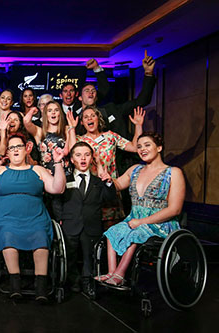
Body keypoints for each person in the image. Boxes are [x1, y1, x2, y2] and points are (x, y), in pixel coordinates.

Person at [0, 133, 66, 302]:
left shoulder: (38, 169)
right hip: (6, 218)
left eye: (19, 147)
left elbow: (57, 189)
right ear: (7, 153)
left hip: (35, 217)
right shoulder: (0, 170)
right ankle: (14, 284)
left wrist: (58, 163)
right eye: (12, 148)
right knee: (8, 235)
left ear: (26, 150)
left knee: (40, 235)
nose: (15, 150)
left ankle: (41, 287)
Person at [96, 132, 185, 286]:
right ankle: (111, 272)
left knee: (136, 234)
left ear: (159, 147)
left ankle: (120, 274)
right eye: (139, 147)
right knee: (112, 232)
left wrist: (143, 221)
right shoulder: (135, 169)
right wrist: (107, 177)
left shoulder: (173, 173)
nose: (142, 149)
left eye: (147, 145)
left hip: (160, 223)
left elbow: (175, 210)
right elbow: (117, 184)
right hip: (134, 219)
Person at [55, 142, 117, 297]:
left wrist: (108, 182)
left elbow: (110, 199)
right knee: (70, 255)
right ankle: (73, 281)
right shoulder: (65, 178)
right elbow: (56, 200)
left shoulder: (98, 182)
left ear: (92, 159)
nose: (83, 158)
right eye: (78, 155)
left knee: (90, 256)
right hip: (70, 223)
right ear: (72, 159)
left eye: (87, 155)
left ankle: (87, 282)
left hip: (91, 225)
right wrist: (60, 217)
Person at [68, 106, 145, 225]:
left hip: (110, 187)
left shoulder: (111, 137)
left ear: (98, 119)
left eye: (93, 115)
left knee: (111, 229)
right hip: (90, 191)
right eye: (86, 117)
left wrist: (138, 126)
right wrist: (72, 128)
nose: (90, 118)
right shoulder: (79, 139)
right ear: (82, 122)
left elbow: (135, 147)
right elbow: (72, 152)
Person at [23, 100, 76, 175]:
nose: (53, 113)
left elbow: (73, 149)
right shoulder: (40, 132)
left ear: (60, 114)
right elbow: (26, 121)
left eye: (56, 110)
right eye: (49, 110)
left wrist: (72, 128)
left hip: (66, 175)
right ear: (45, 114)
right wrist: (32, 110)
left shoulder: (66, 129)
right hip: (46, 176)